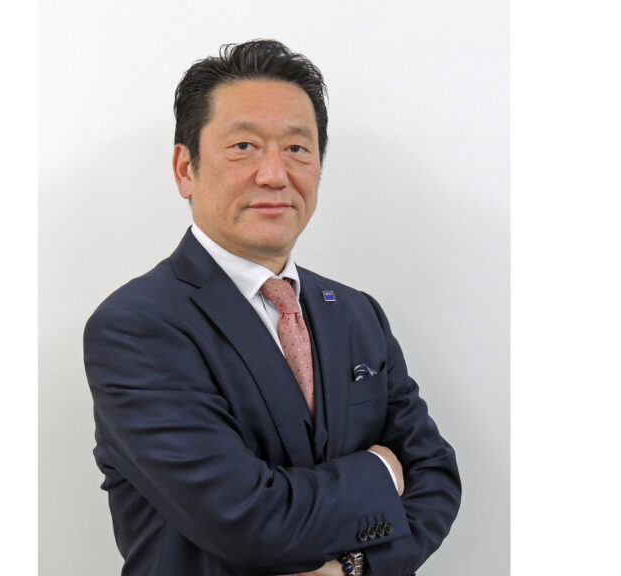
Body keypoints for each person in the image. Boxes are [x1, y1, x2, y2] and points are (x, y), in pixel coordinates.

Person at [84, 39, 460, 576]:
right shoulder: (137, 327)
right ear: (185, 168)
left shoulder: (357, 314)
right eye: (244, 146)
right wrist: (379, 471)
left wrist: (355, 570)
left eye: (298, 148)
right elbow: (245, 520)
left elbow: (436, 476)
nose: (275, 174)